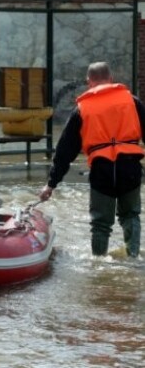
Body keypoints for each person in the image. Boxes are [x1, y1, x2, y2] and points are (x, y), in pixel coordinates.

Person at [39, 61, 142, 258]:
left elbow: (64, 151)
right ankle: (133, 258)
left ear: (89, 82)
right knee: (131, 216)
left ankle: (98, 263)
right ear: (111, 79)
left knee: (100, 224)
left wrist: (51, 184)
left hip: (101, 170)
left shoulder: (82, 109)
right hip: (130, 167)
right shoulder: (132, 101)